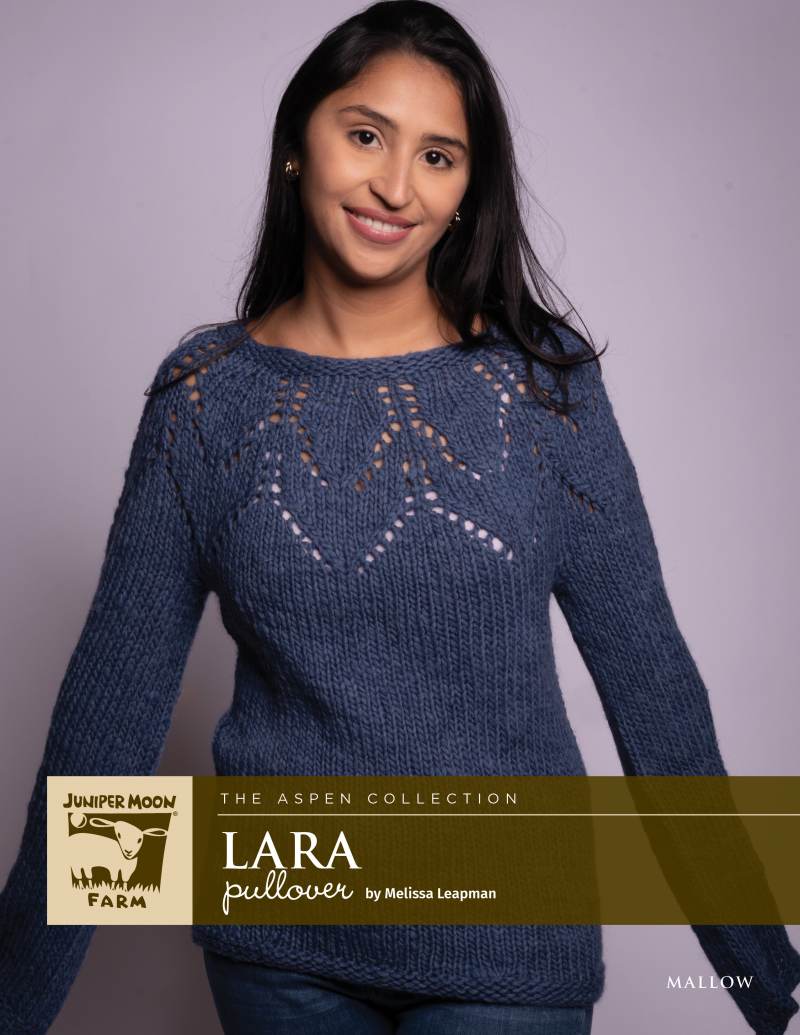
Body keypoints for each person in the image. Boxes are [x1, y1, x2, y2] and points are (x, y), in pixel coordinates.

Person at [1, 2, 799, 1033]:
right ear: (298, 142)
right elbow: (110, 717)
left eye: (437, 156)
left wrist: (759, 972)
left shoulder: (539, 390)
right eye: (366, 134)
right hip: (279, 945)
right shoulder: (203, 400)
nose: (395, 186)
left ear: (468, 191)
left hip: (508, 944)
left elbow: (650, 682)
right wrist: (16, 997)